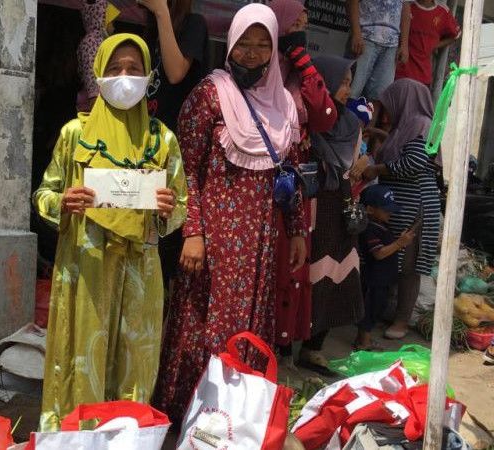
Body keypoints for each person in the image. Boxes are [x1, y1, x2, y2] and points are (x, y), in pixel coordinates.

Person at [153, 4, 306, 423]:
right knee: (201, 329)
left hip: (258, 243)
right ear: (230, 45)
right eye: (244, 44)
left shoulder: (284, 107)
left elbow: (289, 173)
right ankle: (186, 416)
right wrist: (193, 231)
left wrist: (295, 231)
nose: (252, 54)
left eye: (262, 46)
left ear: (274, 52)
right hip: (212, 243)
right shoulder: (210, 94)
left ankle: (232, 421)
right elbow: (183, 168)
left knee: (249, 327)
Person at [33, 33, 187, 431]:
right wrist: (62, 202)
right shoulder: (74, 135)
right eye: (114, 68)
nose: (124, 77)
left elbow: (181, 206)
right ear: (99, 75)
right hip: (86, 269)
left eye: (134, 69)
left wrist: (167, 212)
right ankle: (77, 436)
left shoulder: (162, 139)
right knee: (82, 356)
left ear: (148, 76)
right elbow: (43, 195)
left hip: (140, 273)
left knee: (134, 362)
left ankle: (126, 438)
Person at [269, 0, 337, 367]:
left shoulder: (299, 73)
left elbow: (325, 116)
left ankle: (283, 344)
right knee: (271, 261)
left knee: (294, 261)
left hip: (295, 187)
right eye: (299, 16)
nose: (306, 22)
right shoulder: (263, 70)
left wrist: (303, 61)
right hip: (263, 181)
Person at [298, 55, 365, 376]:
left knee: (335, 274)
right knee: (302, 273)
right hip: (310, 204)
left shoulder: (351, 125)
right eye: (342, 82)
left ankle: (313, 347)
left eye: (350, 83)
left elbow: (351, 167)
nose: (346, 89)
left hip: (338, 208)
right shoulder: (305, 119)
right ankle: (286, 343)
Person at [362, 78, 440, 340]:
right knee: (394, 259)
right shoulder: (405, 126)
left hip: (416, 205)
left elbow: (414, 161)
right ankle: (384, 312)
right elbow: (402, 148)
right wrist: (380, 136)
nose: (386, 112)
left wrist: (377, 169)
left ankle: (402, 321)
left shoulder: (421, 125)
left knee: (408, 265)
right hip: (401, 204)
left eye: (390, 104)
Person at [139, 0, 207, 290]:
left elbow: (176, 72)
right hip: (146, 152)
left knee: (164, 246)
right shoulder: (150, 29)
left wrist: (161, 12)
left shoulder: (194, 25)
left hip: (177, 155)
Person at [356, 184, 414, 351]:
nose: (390, 212)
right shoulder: (369, 229)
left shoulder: (381, 226)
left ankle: (361, 339)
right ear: (370, 209)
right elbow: (379, 253)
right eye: (385, 209)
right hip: (374, 279)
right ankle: (364, 342)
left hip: (382, 279)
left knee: (375, 309)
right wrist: (399, 243)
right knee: (370, 310)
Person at [346, 0, 410, 102]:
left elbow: (406, 7)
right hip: (365, 37)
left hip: (391, 45)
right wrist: (356, 32)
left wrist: (404, 44)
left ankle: (369, 118)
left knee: (379, 97)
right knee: (351, 91)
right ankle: (345, 118)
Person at [395, 0, 461, 87]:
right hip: (401, 72)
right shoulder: (407, 6)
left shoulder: (442, 11)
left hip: (424, 76)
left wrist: (434, 46)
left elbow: (455, 35)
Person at [75, 0, 119, 112]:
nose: (114, 28)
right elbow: (91, 74)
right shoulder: (91, 42)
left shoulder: (101, 41)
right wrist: (94, 101)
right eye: (111, 22)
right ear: (101, 20)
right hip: (94, 103)